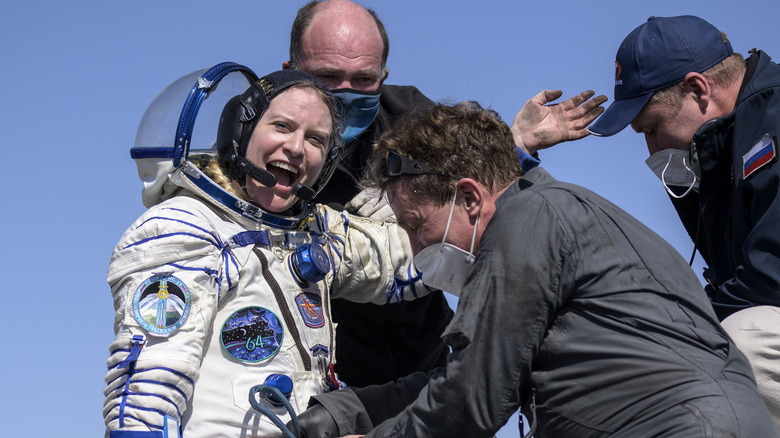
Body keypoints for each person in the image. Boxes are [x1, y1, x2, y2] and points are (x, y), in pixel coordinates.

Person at [294, 102, 779, 438]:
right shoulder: (561, 215)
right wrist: (351, 408)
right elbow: (469, 372)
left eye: (417, 226)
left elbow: (468, 401)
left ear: (469, 196)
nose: (415, 247)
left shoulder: (527, 224)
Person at [282, 0, 607, 388]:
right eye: (328, 75)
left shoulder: (409, 116)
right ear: (290, 71)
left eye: (364, 79)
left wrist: (515, 145)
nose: (345, 92)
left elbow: (478, 186)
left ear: (384, 76)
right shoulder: (263, 139)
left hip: (424, 355)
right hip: (323, 366)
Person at [103, 65, 430, 437]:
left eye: (316, 140)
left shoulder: (314, 232)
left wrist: (418, 210)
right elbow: (148, 393)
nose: (295, 148)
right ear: (240, 132)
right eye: (282, 126)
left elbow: (409, 261)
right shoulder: (186, 225)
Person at [585, 15, 780, 427]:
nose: (650, 146)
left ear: (698, 89)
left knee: (741, 343)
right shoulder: (721, 145)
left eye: (652, 128)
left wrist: (660, 334)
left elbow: (772, 275)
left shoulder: (774, 117)